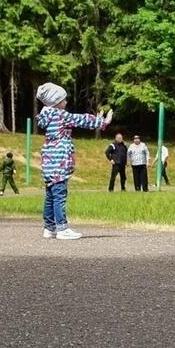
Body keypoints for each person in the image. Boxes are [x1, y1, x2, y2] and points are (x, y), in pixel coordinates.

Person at [35, 82, 111, 240]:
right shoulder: (60, 115)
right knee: (59, 195)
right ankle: (62, 228)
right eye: (63, 99)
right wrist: (101, 122)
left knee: (50, 195)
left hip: (49, 161)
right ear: (56, 102)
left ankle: (49, 228)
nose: (66, 102)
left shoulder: (47, 116)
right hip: (59, 161)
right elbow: (80, 119)